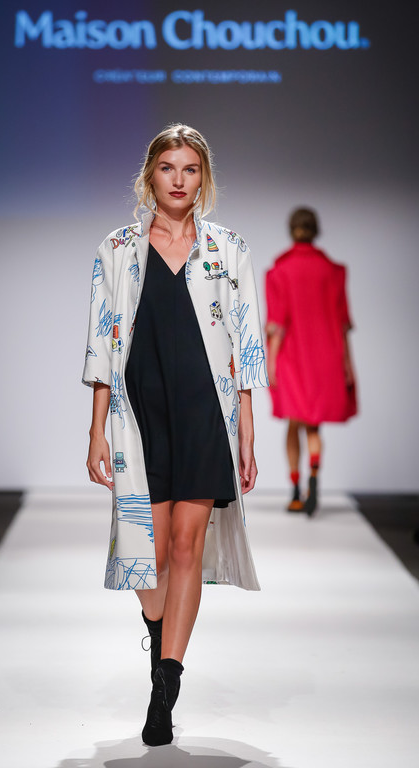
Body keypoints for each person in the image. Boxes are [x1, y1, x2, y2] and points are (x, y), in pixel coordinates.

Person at [82, 124, 267, 746]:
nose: (179, 180)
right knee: (150, 557)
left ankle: (166, 683)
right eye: (168, 168)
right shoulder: (117, 248)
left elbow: (246, 345)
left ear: (203, 178)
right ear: (150, 176)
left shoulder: (229, 248)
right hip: (139, 416)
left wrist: (246, 433)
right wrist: (96, 429)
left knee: (187, 548)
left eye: (191, 169)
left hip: (204, 413)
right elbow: (102, 342)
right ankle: (160, 635)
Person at [265, 207, 357, 516]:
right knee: (313, 424)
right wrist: (347, 364)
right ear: (316, 230)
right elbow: (342, 324)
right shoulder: (333, 271)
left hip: (292, 357)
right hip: (325, 357)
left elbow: (277, 324)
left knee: (294, 421)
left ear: (291, 230)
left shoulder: (279, 272)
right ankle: (313, 479)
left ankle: (295, 491)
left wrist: (271, 363)